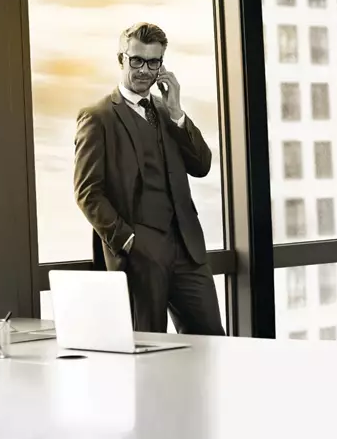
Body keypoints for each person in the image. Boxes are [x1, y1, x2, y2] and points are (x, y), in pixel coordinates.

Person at [73, 22, 224, 335]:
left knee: (212, 343)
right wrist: (128, 241)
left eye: (153, 62)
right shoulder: (98, 116)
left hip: (188, 251)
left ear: (162, 65)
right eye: (136, 60)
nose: (144, 70)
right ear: (121, 59)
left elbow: (202, 165)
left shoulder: (166, 109)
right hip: (139, 256)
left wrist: (177, 112)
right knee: (147, 352)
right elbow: (88, 193)